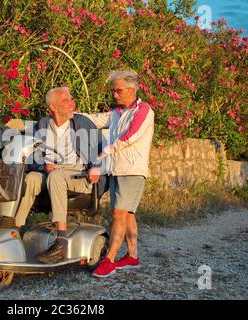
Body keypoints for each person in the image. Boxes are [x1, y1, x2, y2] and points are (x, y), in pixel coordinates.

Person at [14, 87, 103, 264]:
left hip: (79, 175)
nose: (72, 103)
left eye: (71, 99)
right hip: (52, 172)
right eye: (66, 101)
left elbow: (101, 148)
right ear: (54, 107)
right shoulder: (42, 125)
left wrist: (97, 167)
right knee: (31, 177)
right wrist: (42, 165)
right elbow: (32, 157)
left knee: (56, 176)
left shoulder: (82, 123)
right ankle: (14, 230)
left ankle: (61, 242)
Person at [84, 70, 154, 277]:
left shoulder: (144, 110)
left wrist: (104, 152)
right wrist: (71, 113)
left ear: (132, 90)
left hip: (132, 171)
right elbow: (96, 120)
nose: (115, 95)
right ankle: (132, 257)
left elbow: (131, 136)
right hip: (116, 170)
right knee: (128, 215)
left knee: (118, 215)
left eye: (118, 91)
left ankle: (110, 259)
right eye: (113, 91)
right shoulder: (116, 113)